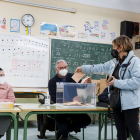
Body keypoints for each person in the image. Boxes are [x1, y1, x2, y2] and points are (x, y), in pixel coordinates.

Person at [75, 35, 140, 140]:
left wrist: (116, 82)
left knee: (133, 129)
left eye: (114, 47)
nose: (113, 49)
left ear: (121, 47)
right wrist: (83, 68)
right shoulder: (114, 62)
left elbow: (136, 82)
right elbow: (99, 67)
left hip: (130, 103)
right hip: (116, 101)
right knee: (120, 130)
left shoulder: (134, 61)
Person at [48, 59, 91, 140]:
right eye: (61, 68)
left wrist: (86, 83)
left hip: (74, 107)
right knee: (60, 117)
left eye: (65, 67)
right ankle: (64, 136)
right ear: (57, 69)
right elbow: (54, 98)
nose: (64, 69)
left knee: (86, 120)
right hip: (60, 108)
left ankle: (65, 130)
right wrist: (70, 98)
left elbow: (82, 89)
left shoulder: (74, 76)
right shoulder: (52, 82)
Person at [0, 68, 15, 138]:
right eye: (0, 75)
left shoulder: (8, 86)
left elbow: (12, 100)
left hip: (3, 114)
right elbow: (8, 100)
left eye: (3, 75)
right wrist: (5, 100)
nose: (2, 77)